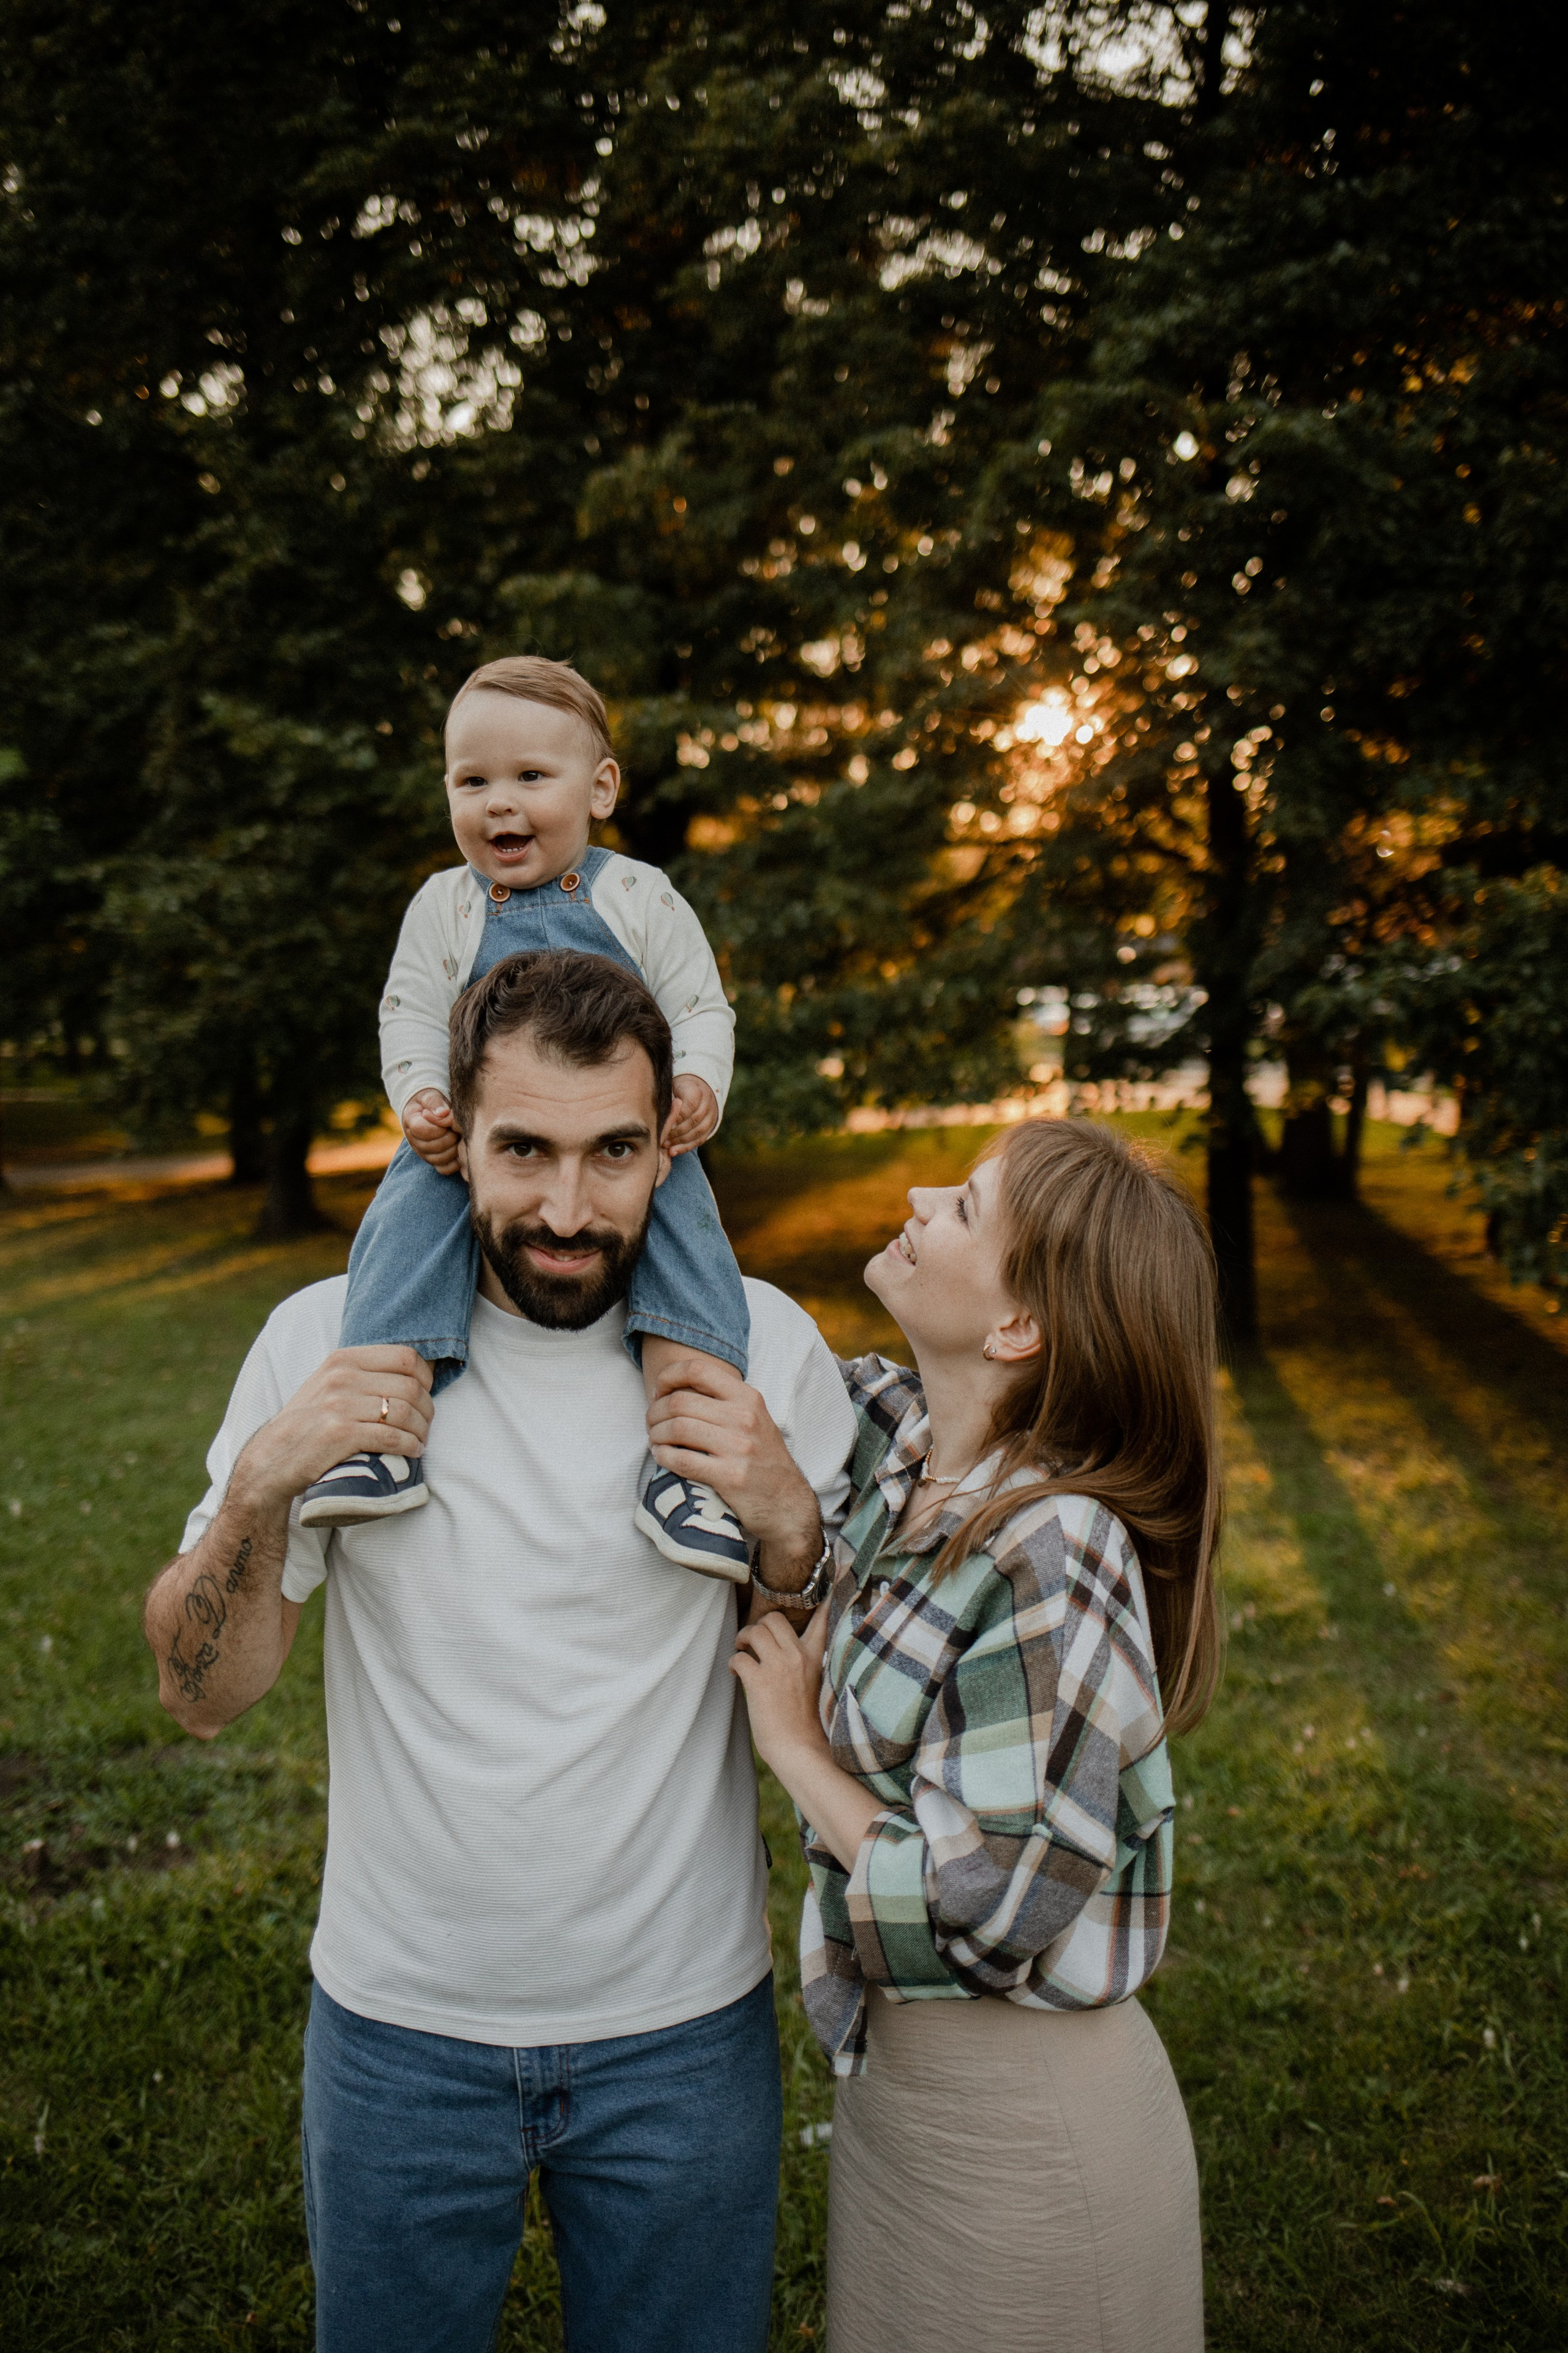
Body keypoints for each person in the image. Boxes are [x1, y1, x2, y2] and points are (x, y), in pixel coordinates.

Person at [143, 948, 858, 2353]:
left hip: (683, 2032)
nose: (566, 1211)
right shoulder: (328, 1345)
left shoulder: (757, 1351)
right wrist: (264, 1482)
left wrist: (787, 1524)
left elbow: (835, 1714)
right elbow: (199, 1694)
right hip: (399, 2032)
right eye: (521, 1148)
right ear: (451, 1136)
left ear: (672, 1145)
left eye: (614, 1153)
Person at [731, 1117, 1220, 2353]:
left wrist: (798, 1751)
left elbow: (996, 1903)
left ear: (1015, 1329)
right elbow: (728, 1350)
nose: (913, 1193)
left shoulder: (1052, 1549)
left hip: (1030, 2139)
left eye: (959, 1206)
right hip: (901, 2103)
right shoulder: (899, 1448)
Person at [302, 653, 758, 1583]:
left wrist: (698, 1081)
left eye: (529, 778)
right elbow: (411, 1012)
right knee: (402, 1232)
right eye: (472, 782)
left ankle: (689, 1468)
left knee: (691, 1256)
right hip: (477, 1135)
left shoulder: (637, 896)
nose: (498, 804)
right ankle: (383, 1434)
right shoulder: (447, 905)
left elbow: (702, 1005)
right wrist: (423, 1098)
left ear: (599, 789)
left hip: (630, 1128)